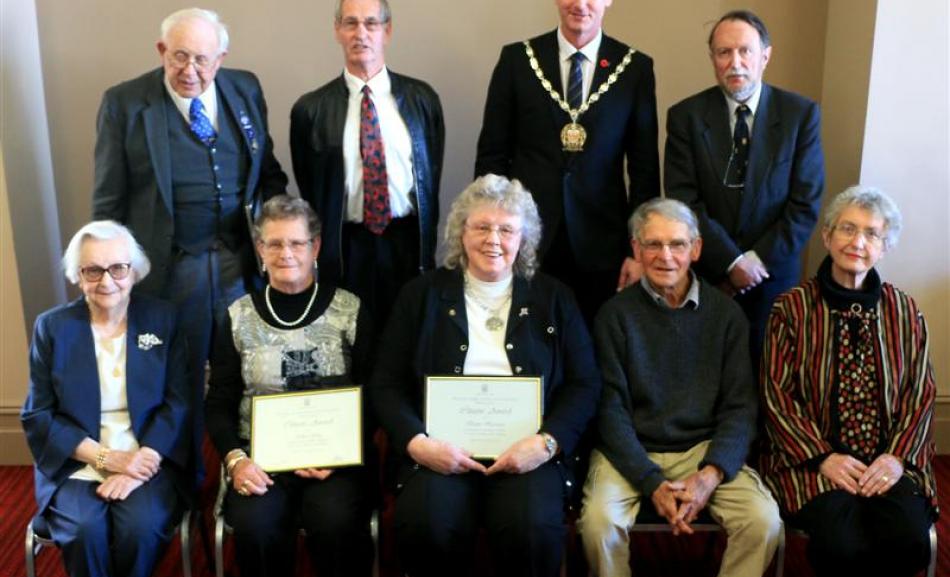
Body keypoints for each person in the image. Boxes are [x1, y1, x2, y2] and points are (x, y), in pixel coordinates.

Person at [370, 175, 600, 577]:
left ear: (524, 239)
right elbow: (386, 383)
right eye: (481, 227)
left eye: (506, 230)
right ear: (461, 232)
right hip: (437, 451)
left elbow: (585, 385)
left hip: (528, 452)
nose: (493, 239)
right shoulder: (420, 296)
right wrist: (417, 443)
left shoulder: (555, 298)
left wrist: (547, 442)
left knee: (531, 530)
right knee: (426, 524)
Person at [92, 7, 289, 482]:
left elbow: (267, 173)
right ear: (162, 51)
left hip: (240, 263)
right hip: (170, 269)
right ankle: (185, 485)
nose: (191, 71)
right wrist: (110, 279)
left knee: (250, 374)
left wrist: (280, 236)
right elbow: (108, 202)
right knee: (176, 383)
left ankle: (258, 472)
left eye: (203, 60)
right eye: (179, 57)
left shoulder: (245, 89)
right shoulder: (124, 104)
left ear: (221, 58)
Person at [579, 198, 782, 577]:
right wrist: (651, 481)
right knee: (599, 524)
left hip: (703, 450)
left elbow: (740, 408)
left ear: (697, 249)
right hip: (630, 451)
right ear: (635, 249)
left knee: (763, 521)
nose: (665, 256)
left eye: (677, 243)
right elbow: (610, 412)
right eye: (653, 244)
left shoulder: (727, 316)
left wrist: (710, 475)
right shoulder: (613, 316)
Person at [760, 186, 936, 577]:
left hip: (888, 462)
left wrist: (896, 459)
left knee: (911, 539)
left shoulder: (904, 310)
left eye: (872, 234)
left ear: (885, 245)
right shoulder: (791, 309)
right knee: (841, 545)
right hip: (812, 463)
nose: (858, 243)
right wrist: (822, 457)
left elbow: (921, 393)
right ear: (827, 236)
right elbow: (776, 393)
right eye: (848, 229)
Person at [205, 195, 374, 577]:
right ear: (260, 250)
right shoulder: (236, 316)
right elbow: (220, 401)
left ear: (315, 248)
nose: (286, 254)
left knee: (335, 524)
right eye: (274, 244)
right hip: (258, 458)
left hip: (335, 460)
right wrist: (236, 460)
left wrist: (342, 452)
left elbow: (375, 390)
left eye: (297, 243)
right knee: (258, 528)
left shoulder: (350, 310)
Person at [21, 221, 190, 577]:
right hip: (79, 460)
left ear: (134, 270)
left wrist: (138, 465)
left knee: (140, 528)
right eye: (92, 270)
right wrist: (106, 459)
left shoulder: (163, 319)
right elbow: (38, 414)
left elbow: (179, 401)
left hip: (149, 458)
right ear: (77, 276)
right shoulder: (53, 327)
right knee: (84, 532)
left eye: (118, 268)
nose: (107, 281)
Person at [475, 0, 660, 325]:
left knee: (593, 352)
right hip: (526, 240)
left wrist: (638, 250)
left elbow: (643, 170)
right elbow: (491, 158)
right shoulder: (518, 60)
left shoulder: (634, 68)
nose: (580, 4)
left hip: (603, 245)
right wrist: (494, 237)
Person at [664, 9, 825, 358]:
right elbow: (683, 202)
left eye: (745, 51)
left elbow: (805, 203)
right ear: (712, 59)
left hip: (774, 277)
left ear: (765, 56)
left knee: (769, 374)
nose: (735, 62)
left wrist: (754, 262)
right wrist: (731, 262)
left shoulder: (801, 115)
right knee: (705, 374)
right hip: (709, 274)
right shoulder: (685, 117)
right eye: (724, 52)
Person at [290, 0, 444, 327]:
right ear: (337, 31)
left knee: (409, 337)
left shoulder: (421, 100)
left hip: (407, 241)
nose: (361, 33)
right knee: (353, 340)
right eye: (351, 23)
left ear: (386, 31)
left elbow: (432, 174)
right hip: (347, 247)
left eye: (371, 24)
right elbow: (310, 184)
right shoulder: (311, 110)